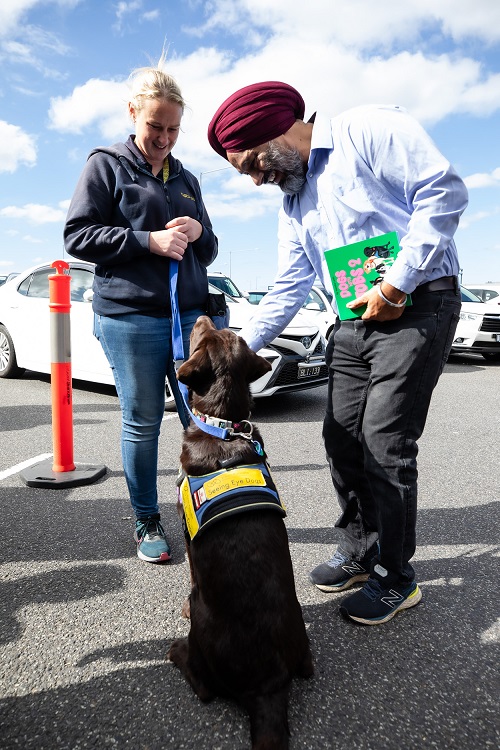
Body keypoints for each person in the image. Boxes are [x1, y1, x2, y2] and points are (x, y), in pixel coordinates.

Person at [207, 82, 468, 625]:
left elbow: (442, 192)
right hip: (354, 317)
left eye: (252, 163)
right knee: (340, 436)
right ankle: (362, 548)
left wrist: (395, 286)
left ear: (276, 130)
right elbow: (290, 283)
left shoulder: (367, 129)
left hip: (419, 304)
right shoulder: (294, 200)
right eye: (246, 173)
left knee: (384, 442)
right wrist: (233, 352)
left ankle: (397, 577)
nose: (256, 179)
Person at [64, 56, 218, 564]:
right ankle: (146, 518)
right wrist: (146, 241)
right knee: (144, 419)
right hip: (131, 318)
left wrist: (198, 233)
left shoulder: (187, 179)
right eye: (156, 125)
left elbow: (210, 248)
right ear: (133, 113)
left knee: (205, 419)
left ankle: (212, 506)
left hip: (190, 317)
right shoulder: (105, 164)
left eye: (174, 128)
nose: (165, 137)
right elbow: (77, 236)